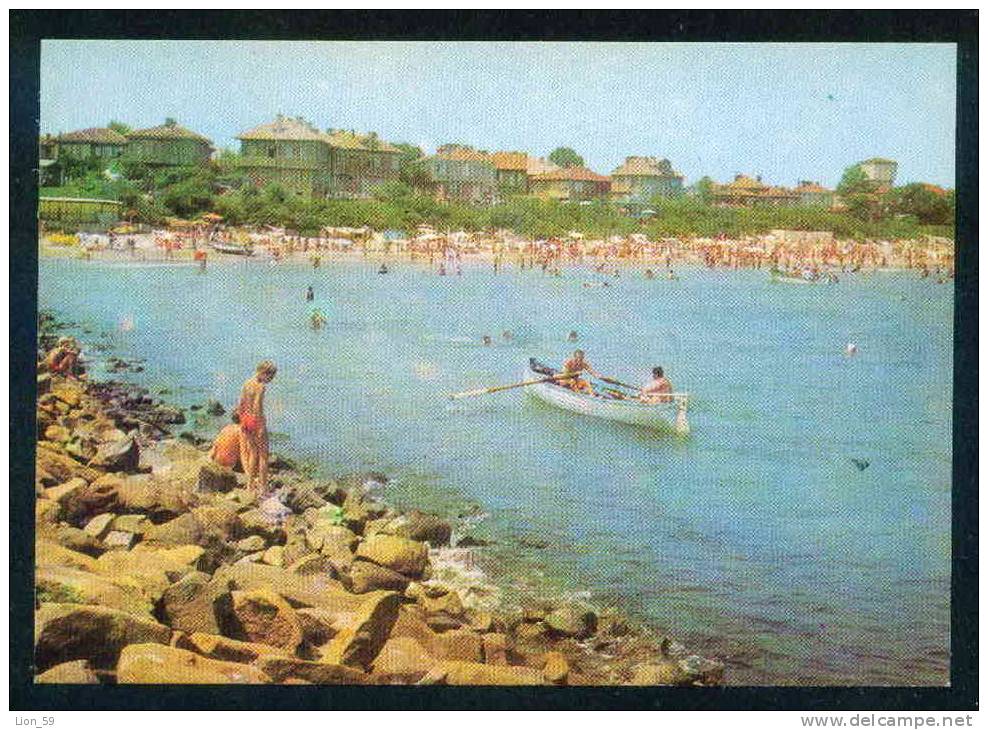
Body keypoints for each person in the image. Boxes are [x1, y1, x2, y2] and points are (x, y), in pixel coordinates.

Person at [237, 360, 277, 495]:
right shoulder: (260, 386)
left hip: (246, 419)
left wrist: (243, 422)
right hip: (256, 420)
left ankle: (249, 486)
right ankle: (263, 488)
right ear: (263, 373)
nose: (270, 380)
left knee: (253, 453)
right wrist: (260, 426)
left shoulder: (246, 383)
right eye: (270, 377)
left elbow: (241, 404)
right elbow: (257, 407)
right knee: (264, 456)